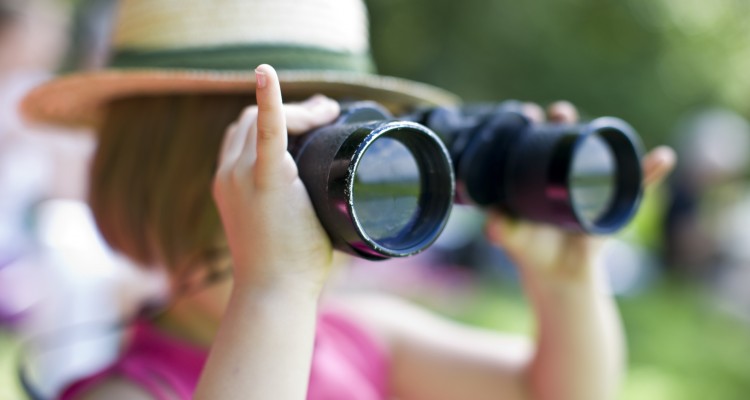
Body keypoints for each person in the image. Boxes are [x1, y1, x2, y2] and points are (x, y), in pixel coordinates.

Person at [20, 0, 676, 399]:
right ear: (160, 182)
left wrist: (567, 280)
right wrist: (271, 288)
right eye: (309, 156)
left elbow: (556, 393)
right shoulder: (127, 393)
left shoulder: (356, 337)